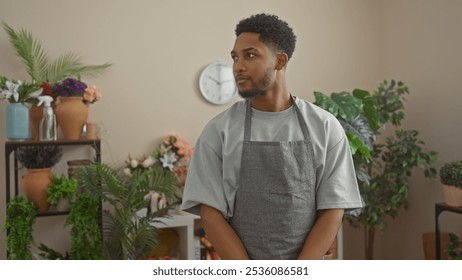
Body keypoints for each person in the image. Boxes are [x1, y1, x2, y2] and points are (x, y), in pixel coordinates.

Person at [181, 13, 363, 260]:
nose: (238, 66)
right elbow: (210, 212)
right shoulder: (218, 131)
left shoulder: (325, 127)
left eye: (250, 55)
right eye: (235, 57)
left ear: (279, 61)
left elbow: (333, 208)